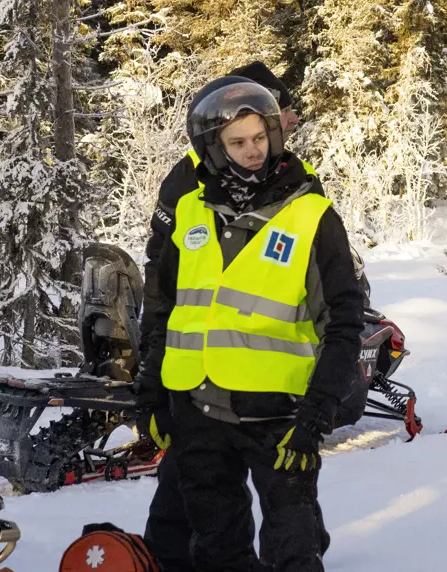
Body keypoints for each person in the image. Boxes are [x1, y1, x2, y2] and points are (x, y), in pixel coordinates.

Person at [137, 75, 365, 572]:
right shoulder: (189, 211)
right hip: (198, 411)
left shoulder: (310, 214)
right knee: (215, 550)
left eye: (259, 137)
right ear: (214, 148)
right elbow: (166, 311)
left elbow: (344, 322)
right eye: (238, 142)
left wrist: (317, 414)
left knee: (292, 552)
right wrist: (151, 394)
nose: (253, 150)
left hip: (278, 419)